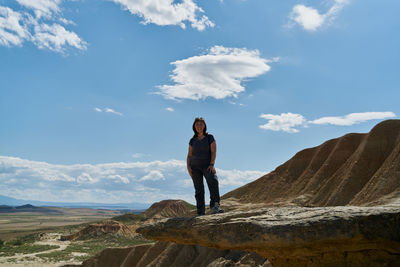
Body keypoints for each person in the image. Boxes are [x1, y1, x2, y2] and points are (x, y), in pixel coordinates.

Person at [187, 117, 224, 216]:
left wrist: (212, 164)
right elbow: (189, 155)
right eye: (197, 124)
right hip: (194, 167)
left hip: (207, 166)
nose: (199, 126)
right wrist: (188, 168)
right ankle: (200, 212)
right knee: (198, 190)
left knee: (213, 182)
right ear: (194, 127)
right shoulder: (192, 140)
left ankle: (215, 206)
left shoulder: (209, 137)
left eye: (201, 124)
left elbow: (213, 151)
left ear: (204, 126)